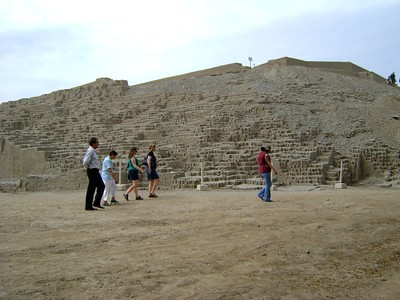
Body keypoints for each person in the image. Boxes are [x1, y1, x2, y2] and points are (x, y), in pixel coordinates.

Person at [82, 137, 105, 210]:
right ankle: (90, 205)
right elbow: (85, 161)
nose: (98, 144)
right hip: (92, 171)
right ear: (93, 143)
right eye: (97, 143)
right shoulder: (90, 151)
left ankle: (95, 203)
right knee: (95, 187)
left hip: (94, 171)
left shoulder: (92, 151)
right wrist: (86, 168)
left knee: (96, 187)